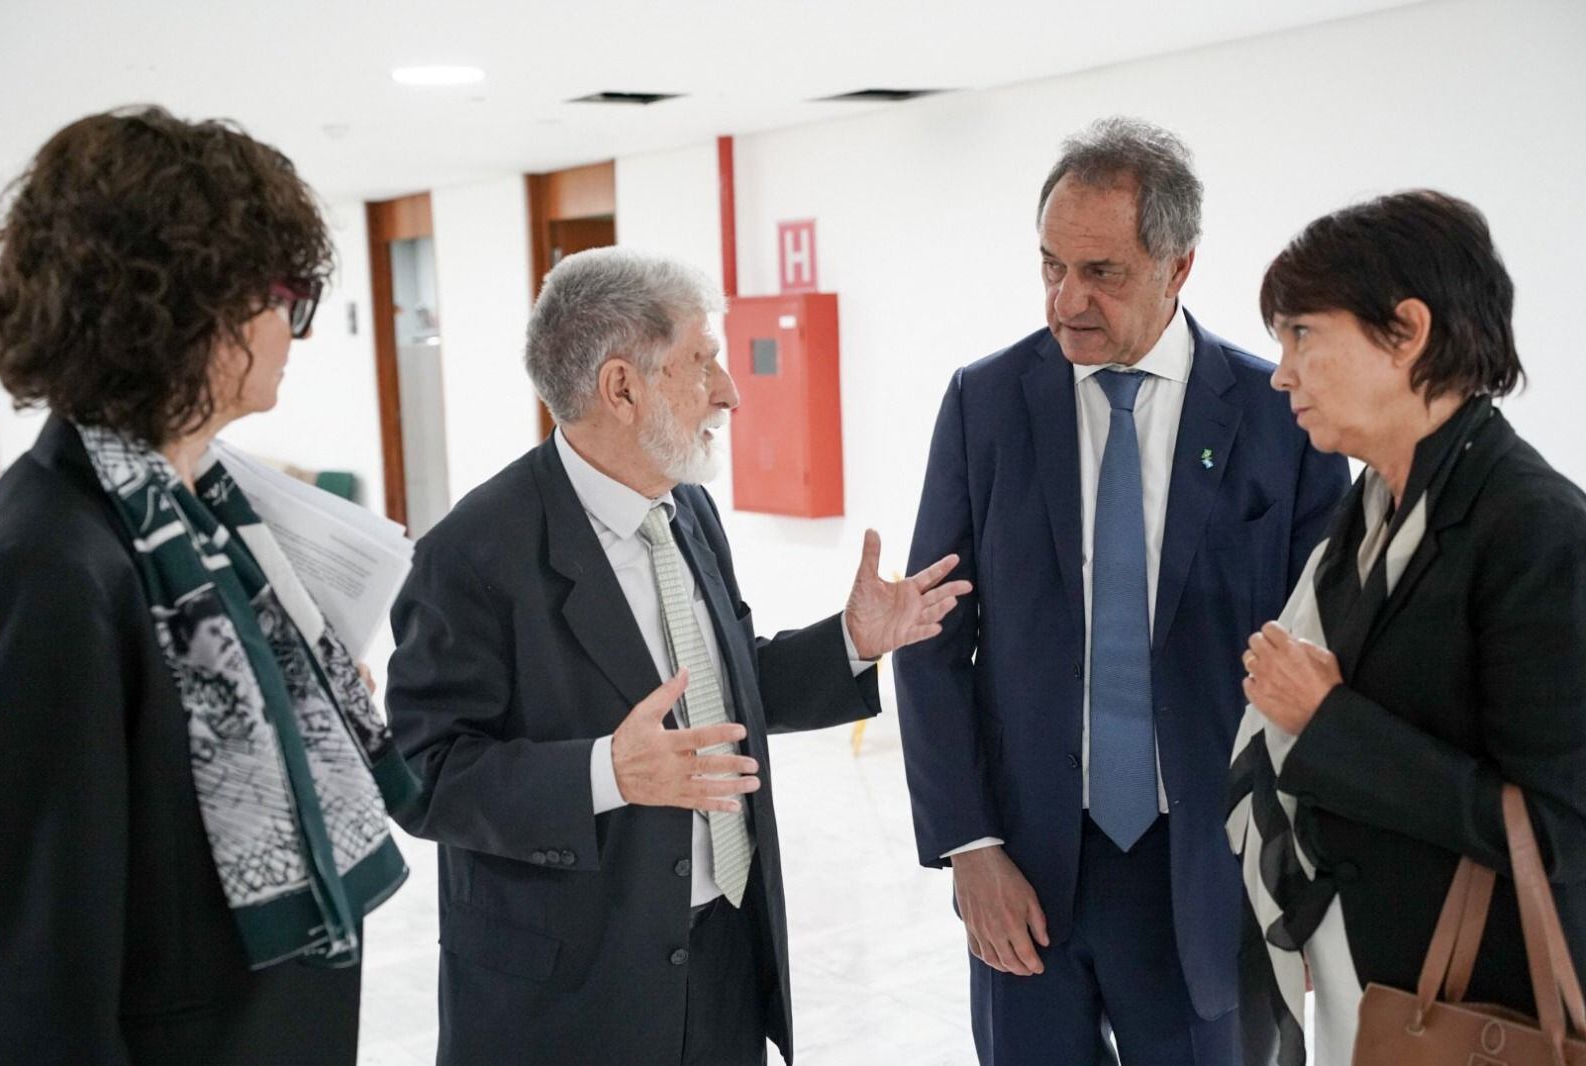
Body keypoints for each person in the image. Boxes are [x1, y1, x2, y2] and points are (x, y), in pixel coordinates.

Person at [385, 246, 970, 1066]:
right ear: (622, 387)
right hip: (570, 996)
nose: (729, 392)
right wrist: (605, 773)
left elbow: (723, 690)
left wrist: (852, 642)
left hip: (722, 957)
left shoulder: (687, 509)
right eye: (703, 362)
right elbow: (423, 775)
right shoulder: (472, 555)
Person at [894, 116, 1350, 1065]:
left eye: (1102, 272)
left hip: (1211, 877)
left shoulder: (1282, 418)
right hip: (1024, 870)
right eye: (1051, 266)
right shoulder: (986, 404)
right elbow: (932, 641)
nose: (1068, 300)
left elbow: (1330, 661)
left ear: (1179, 267)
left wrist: (1315, 886)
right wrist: (968, 846)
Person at [0, 107, 416, 1064]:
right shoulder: (49, 561)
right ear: (188, 310)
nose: (291, 326)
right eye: (283, 294)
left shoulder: (202, 513)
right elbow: (37, 969)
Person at [1228, 188, 1586, 1064]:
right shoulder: (1371, 511)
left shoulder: (1536, 529)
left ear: (1407, 331)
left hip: (1482, 1010)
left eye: (1303, 334)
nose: (1282, 372)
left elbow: (1559, 830)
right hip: (1372, 988)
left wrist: (1330, 725)